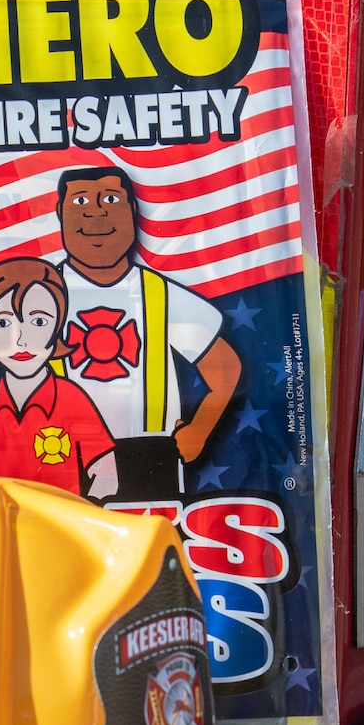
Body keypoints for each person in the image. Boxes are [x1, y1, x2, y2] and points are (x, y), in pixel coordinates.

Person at [52, 167, 242, 496]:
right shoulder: (41, 295)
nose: (95, 212)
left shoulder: (162, 294)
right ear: (60, 214)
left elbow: (226, 369)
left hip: (151, 454)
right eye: (80, 200)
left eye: (111, 199)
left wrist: (200, 428)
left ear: (133, 211)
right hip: (57, 450)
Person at [0, 258, 117, 499]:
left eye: (38, 321)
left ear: (58, 326)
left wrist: (85, 518)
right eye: (2, 323)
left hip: (58, 528)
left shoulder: (71, 398)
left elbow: (106, 474)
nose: (20, 339)